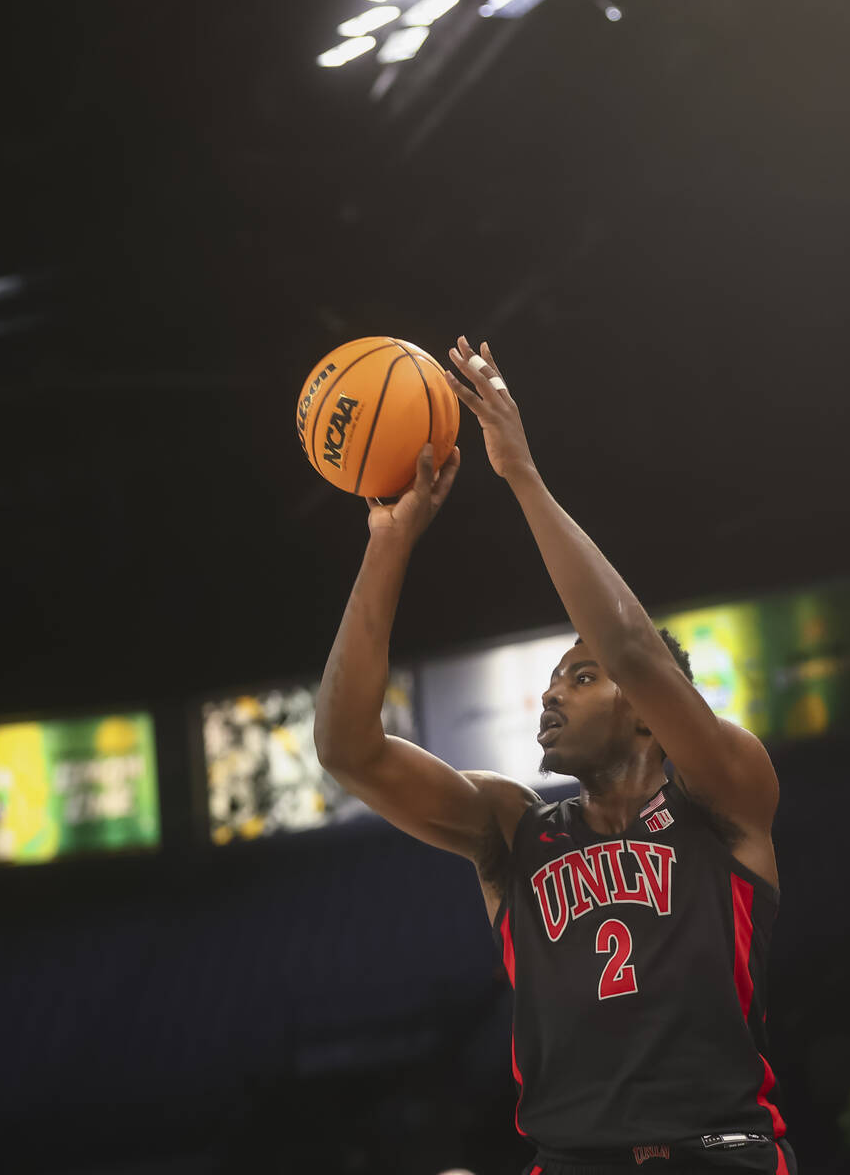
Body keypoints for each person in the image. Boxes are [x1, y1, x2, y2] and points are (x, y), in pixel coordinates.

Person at [315, 337, 797, 1175]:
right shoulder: (514, 828)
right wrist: (388, 541)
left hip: (719, 1154)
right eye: (551, 680)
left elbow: (632, 650)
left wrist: (521, 476)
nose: (551, 695)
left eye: (579, 677)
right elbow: (346, 750)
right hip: (570, 1160)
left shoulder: (724, 795)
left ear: (647, 715)